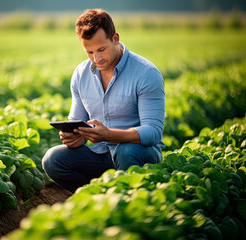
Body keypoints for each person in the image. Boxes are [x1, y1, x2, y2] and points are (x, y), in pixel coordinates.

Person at [42, 9, 165, 193]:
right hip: (99, 153)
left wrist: (110, 135)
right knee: (52, 160)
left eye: (101, 49)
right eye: (89, 52)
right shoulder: (81, 74)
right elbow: (77, 122)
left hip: (138, 153)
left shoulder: (146, 73)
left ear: (115, 38)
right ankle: (96, 196)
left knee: (126, 151)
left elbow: (153, 132)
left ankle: (130, 196)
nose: (96, 58)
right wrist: (74, 137)